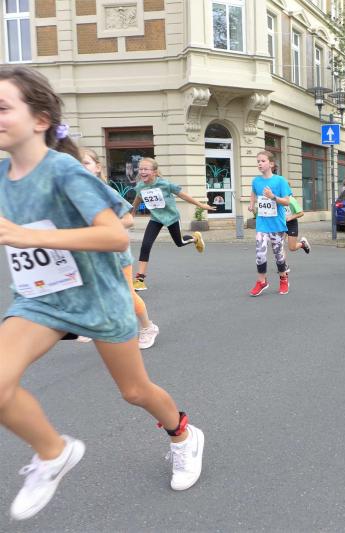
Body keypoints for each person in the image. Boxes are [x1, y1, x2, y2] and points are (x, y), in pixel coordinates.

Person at [0, 66, 203, 521]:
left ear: (40, 119)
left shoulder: (64, 171)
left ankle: (183, 435)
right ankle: (52, 452)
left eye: (2, 107)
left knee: (134, 391)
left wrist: (28, 236)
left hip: (98, 299)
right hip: (40, 299)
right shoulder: (1, 174)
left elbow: (114, 236)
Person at [78, 149, 159, 349]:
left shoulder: (106, 192)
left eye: (86, 163)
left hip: (116, 254)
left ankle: (148, 327)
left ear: (97, 168)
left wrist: (104, 227)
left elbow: (128, 219)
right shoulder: (74, 195)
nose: (81, 167)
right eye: (77, 163)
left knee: (127, 296)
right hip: (92, 254)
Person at [130, 158, 215, 290]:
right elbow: (137, 199)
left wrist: (201, 205)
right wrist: (132, 213)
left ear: (154, 172)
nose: (142, 172)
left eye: (146, 169)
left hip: (171, 218)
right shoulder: (140, 186)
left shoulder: (165, 184)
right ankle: (140, 279)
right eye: (140, 169)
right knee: (145, 245)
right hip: (156, 219)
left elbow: (183, 196)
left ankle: (195, 238)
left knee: (180, 242)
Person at [248, 150, 292, 296]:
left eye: (263, 161)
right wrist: (251, 203)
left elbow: (287, 201)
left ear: (271, 164)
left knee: (279, 255)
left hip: (277, 224)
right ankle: (262, 282)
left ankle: (283, 279)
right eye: (258, 161)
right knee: (260, 253)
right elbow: (254, 192)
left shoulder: (280, 181)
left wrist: (273, 197)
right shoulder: (256, 181)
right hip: (262, 223)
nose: (259, 164)